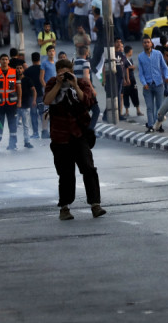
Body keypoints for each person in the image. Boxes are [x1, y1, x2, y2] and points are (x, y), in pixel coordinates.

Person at [43, 58, 106, 220]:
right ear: (57, 73)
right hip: (60, 136)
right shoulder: (51, 83)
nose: (64, 76)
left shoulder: (81, 83)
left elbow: (88, 101)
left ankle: (95, 205)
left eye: (67, 73)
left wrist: (75, 85)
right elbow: (47, 100)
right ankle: (64, 208)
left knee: (89, 168)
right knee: (66, 174)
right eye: (61, 73)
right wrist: (58, 84)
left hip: (79, 134)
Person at [0, 53, 21, 151]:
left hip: (12, 104)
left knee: (13, 125)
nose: (4, 61)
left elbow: (19, 88)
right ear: (0, 61)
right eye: (2, 59)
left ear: (8, 61)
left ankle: (13, 145)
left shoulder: (14, 72)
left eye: (6, 59)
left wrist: (19, 101)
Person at [138, 36, 168, 131]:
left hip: (159, 83)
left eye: (148, 42)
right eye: (144, 42)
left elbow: (164, 67)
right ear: (143, 44)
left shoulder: (158, 54)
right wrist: (144, 83)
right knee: (149, 107)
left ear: (151, 43)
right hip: (147, 85)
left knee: (160, 107)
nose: (146, 44)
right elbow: (141, 73)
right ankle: (151, 126)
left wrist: (167, 76)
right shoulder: (140, 56)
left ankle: (159, 125)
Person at [20, 52, 41, 148]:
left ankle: (36, 132)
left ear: (32, 60)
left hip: (31, 96)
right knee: (43, 113)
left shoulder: (28, 71)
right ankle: (45, 130)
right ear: (39, 58)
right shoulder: (42, 69)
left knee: (33, 114)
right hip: (41, 93)